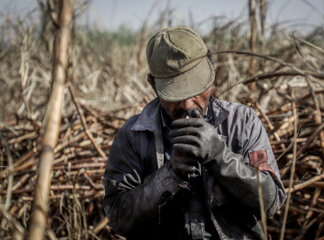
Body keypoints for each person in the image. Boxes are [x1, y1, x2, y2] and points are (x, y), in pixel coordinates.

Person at [103, 26, 286, 240]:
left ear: (212, 72)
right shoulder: (134, 136)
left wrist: (220, 157)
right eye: (176, 93)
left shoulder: (242, 122)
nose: (188, 103)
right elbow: (118, 218)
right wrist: (169, 175)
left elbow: (271, 202)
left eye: (196, 89)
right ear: (153, 84)